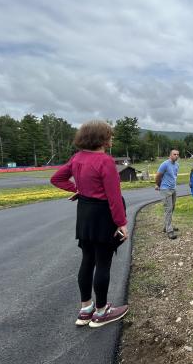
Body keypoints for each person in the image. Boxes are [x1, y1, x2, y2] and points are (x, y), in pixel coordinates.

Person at [50, 120, 129, 328]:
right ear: (101, 138)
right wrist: (122, 223)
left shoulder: (77, 158)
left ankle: (85, 309)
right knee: (103, 262)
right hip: (103, 215)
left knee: (87, 261)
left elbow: (57, 179)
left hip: (84, 213)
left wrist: (77, 190)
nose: (111, 138)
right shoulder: (105, 161)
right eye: (109, 135)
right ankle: (102, 312)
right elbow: (114, 197)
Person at [155, 149, 180, 239]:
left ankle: (166, 226)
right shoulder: (165, 164)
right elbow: (158, 175)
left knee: (172, 208)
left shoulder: (177, 165)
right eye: (174, 154)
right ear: (170, 155)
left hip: (173, 189)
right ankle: (169, 230)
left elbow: (174, 176)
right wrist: (158, 185)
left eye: (177, 154)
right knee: (168, 209)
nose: (176, 156)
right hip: (165, 189)